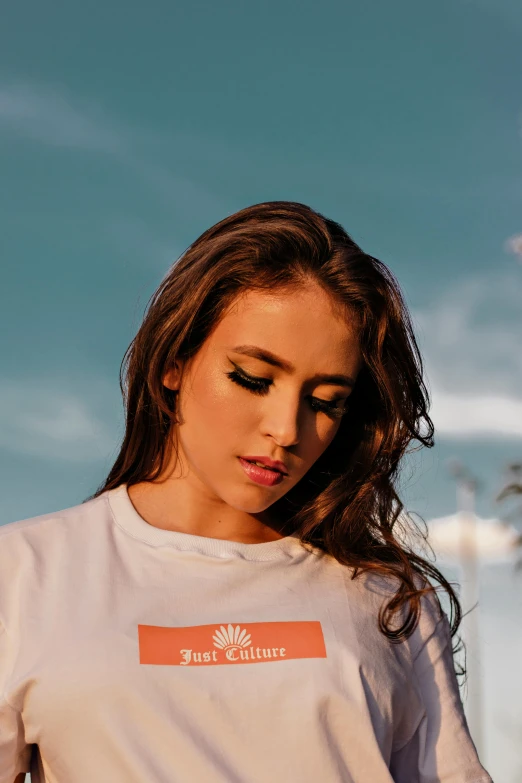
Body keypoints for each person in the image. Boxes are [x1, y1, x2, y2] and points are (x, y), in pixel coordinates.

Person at [0, 201, 493, 782]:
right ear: (174, 362)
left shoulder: (389, 596)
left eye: (324, 402)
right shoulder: (23, 575)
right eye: (253, 379)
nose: (286, 430)